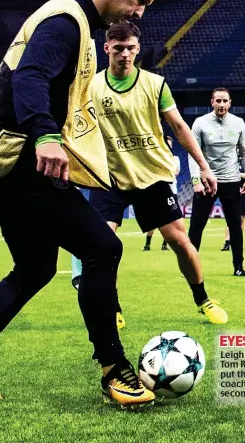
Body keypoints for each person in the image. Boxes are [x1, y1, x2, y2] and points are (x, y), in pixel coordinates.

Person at [0, 0, 165, 408]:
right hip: (22, 163)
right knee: (103, 248)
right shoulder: (65, 20)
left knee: (35, 268)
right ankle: (114, 370)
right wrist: (44, 135)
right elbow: (31, 77)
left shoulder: (74, 20)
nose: (140, 12)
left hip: (6, 164)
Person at [82, 21, 227, 325]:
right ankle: (113, 308)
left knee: (179, 241)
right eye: (118, 48)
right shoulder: (91, 87)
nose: (124, 54)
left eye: (130, 48)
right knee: (103, 244)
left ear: (138, 49)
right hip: (110, 177)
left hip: (152, 176)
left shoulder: (154, 84)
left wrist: (204, 167)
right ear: (106, 48)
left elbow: (178, 127)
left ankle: (203, 299)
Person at [188, 88, 245, 277]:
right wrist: (196, 181)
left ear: (230, 103)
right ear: (212, 102)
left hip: (232, 181)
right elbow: (193, 154)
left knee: (235, 225)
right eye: (218, 101)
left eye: (225, 101)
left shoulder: (238, 123)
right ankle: (190, 267)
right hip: (207, 182)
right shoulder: (200, 123)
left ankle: (239, 267)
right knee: (197, 226)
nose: (222, 105)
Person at [143, 135, 181, 251]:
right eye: (166, 144)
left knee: (170, 220)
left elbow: (175, 172)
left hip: (171, 191)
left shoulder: (175, 159)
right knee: (153, 219)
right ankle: (147, 244)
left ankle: (165, 245)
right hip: (156, 191)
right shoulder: (156, 157)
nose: (168, 146)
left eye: (170, 144)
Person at [220, 171, 245, 250]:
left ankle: (239, 242)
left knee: (242, 219)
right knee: (230, 218)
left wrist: (237, 174)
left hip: (244, 193)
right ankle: (227, 242)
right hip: (232, 191)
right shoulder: (231, 161)